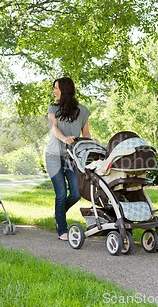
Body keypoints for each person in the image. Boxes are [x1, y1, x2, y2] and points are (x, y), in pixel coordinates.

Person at [45, 77, 92, 241]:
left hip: (72, 158)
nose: (54, 91)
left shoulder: (83, 111)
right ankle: (62, 228)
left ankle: (59, 215)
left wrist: (93, 142)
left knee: (76, 193)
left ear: (64, 90)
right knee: (61, 194)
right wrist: (65, 139)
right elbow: (54, 129)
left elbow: (86, 134)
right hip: (54, 156)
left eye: (56, 88)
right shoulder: (53, 108)